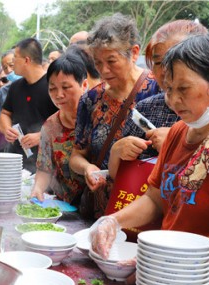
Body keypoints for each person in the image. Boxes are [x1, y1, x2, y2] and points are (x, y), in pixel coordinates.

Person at [90, 33, 209, 285]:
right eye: (168, 89)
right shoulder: (178, 132)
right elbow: (156, 198)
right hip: (169, 271)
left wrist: (173, 261)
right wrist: (114, 220)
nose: (173, 100)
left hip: (207, 279)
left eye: (184, 89)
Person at [69, 13, 159, 219]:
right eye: (97, 63)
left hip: (147, 210)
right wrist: (88, 168)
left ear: (134, 53)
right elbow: (76, 155)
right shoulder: (91, 100)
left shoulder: (160, 92)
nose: (104, 70)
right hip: (101, 210)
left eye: (111, 61)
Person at [109, 20, 208, 178]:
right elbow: (117, 176)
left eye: (175, 60)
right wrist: (117, 151)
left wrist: (177, 146)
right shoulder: (144, 109)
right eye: (158, 62)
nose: (165, 71)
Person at [31, 53, 88, 203]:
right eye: (52, 89)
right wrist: (38, 188)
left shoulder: (98, 117)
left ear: (84, 85)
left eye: (66, 87)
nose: (59, 95)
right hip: (68, 208)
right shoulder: (50, 127)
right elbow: (44, 168)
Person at [0, 38, 58, 172]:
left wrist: (42, 136)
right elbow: (5, 113)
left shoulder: (53, 86)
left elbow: (67, 122)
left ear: (26, 60)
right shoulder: (15, 87)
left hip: (45, 166)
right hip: (16, 160)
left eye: (15, 58)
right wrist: (7, 129)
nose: (12, 62)